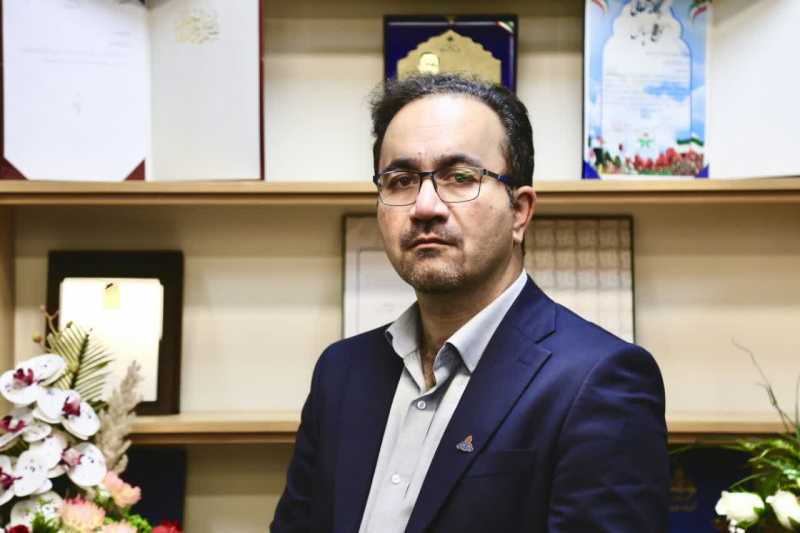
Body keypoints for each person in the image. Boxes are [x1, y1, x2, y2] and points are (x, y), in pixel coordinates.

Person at [271, 74, 670, 533]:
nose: (424, 207)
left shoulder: (599, 380)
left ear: (520, 211)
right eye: (400, 181)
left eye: (460, 177)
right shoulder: (341, 372)